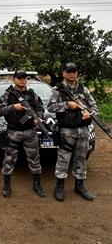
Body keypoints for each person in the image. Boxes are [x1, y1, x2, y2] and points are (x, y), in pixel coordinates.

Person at [47, 62, 98, 201]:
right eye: (69, 71)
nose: (72, 74)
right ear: (63, 73)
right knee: (63, 159)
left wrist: (90, 113)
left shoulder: (84, 89)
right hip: (67, 131)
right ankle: (59, 186)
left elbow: (95, 107)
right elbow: (50, 108)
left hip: (83, 130)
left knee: (81, 158)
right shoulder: (58, 90)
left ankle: (80, 186)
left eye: (74, 71)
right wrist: (67, 105)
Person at [0, 70, 46, 198]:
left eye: (24, 78)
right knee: (9, 159)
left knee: (34, 159)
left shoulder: (32, 94)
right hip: (13, 131)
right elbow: (1, 111)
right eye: (19, 78)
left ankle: (37, 185)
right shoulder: (8, 95)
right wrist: (14, 107)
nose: (22, 80)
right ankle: (7, 186)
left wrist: (38, 117)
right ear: (14, 79)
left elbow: (40, 107)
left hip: (30, 131)